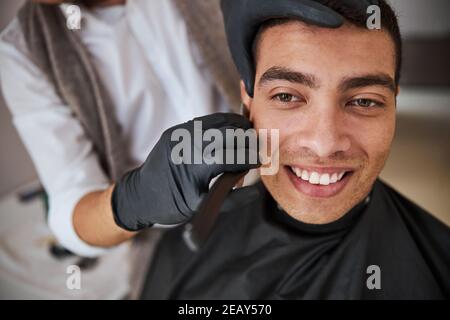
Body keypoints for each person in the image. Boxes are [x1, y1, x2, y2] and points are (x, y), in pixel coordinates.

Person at [137, 0, 450, 299]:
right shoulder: (183, 248)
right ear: (248, 100)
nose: (324, 144)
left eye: (364, 101)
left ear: (394, 102)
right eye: (287, 96)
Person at [0, 0, 246, 298]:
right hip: (170, 238)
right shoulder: (23, 47)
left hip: (273, 181)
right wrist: (137, 200)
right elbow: (71, 204)